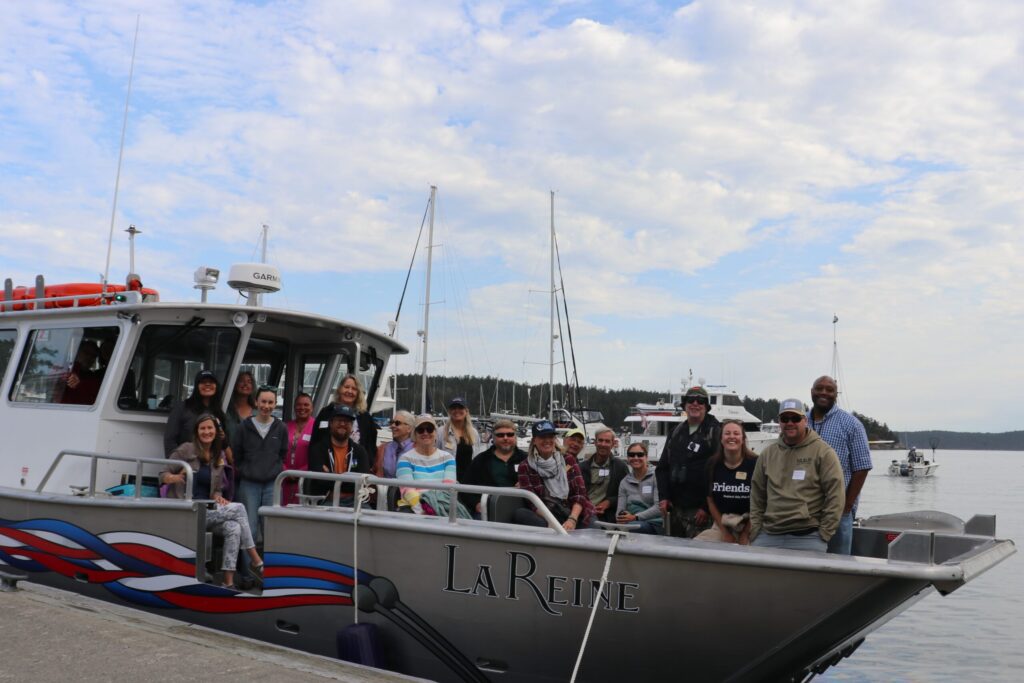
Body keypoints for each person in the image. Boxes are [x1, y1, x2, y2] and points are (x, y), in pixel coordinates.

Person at [161, 413, 263, 588]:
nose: (206, 432)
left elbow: (215, 490)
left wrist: (218, 497)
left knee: (235, 528)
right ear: (197, 431)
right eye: (203, 428)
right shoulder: (185, 449)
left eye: (210, 428)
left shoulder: (218, 455)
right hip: (189, 511)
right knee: (239, 508)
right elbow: (163, 474)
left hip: (207, 510)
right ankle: (255, 559)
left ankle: (228, 582)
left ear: (216, 431)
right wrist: (175, 478)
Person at [750, 399, 845, 552]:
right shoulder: (767, 454)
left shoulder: (824, 452)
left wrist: (825, 533)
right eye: (784, 419)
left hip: (809, 536)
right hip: (768, 534)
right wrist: (755, 528)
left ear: (805, 420)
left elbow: (836, 494)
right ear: (780, 422)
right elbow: (757, 494)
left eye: (795, 418)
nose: (789, 423)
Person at [807, 375, 872, 555]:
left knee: (838, 561)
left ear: (836, 395)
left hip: (838, 509)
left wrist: (846, 506)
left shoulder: (851, 424)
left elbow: (862, 467)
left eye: (830, 390)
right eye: (819, 388)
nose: (824, 393)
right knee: (806, 561)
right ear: (812, 392)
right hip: (805, 509)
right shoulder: (801, 422)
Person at [655, 386, 721, 538]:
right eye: (691, 400)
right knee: (673, 553)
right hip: (675, 509)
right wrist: (663, 497)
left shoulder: (715, 431)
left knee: (699, 555)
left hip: (701, 512)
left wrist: (707, 508)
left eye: (701, 401)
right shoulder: (676, 431)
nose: (695, 404)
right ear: (684, 405)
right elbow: (662, 468)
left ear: (706, 406)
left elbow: (719, 472)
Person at [514, 420, 594, 530]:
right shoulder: (525, 466)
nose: (547, 441)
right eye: (542, 437)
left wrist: (572, 519)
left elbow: (580, 494)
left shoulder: (568, 459)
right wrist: (554, 523)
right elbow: (532, 503)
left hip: (575, 512)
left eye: (550, 437)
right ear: (534, 440)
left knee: (592, 524)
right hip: (548, 513)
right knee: (520, 514)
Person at [232, 386, 287, 546]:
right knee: (249, 529)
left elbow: (282, 453)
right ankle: (248, 570)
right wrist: (246, 470)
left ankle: (270, 569)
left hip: (272, 484)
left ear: (275, 404)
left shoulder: (281, 427)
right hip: (249, 484)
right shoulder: (243, 427)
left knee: (271, 528)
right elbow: (237, 453)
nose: (266, 406)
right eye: (263, 401)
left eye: (270, 402)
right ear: (256, 402)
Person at [696, 419, 757, 544]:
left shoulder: (755, 463)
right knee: (696, 546)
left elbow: (762, 501)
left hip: (751, 523)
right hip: (722, 524)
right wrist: (725, 533)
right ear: (721, 439)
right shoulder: (712, 464)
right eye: (727, 433)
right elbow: (710, 500)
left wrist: (745, 533)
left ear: (743, 438)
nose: (732, 437)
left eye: (736, 433)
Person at [396, 415, 469, 518]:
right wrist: (425, 511)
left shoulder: (448, 458)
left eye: (429, 429)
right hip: (412, 507)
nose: (425, 433)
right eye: (421, 430)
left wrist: (435, 509)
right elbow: (408, 491)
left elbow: (449, 489)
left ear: (435, 433)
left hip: (442, 504)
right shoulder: (405, 459)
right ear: (414, 435)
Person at [306, 404, 371, 504]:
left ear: (351, 426)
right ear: (331, 423)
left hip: (354, 502)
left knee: (369, 518)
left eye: (347, 421)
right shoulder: (318, 449)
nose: (343, 424)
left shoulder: (360, 451)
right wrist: (349, 480)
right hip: (326, 500)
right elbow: (319, 481)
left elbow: (362, 481)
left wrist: (330, 477)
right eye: (339, 420)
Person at [465, 418, 527, 516]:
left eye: (510, 434)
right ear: (493, 438)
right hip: (488, 509)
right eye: (500, 435)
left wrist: (526, 484)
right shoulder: (481, 460)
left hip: (521, 509)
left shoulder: (527, 459)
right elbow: (466, 487)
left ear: (515, 437)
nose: (505, 438)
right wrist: (476, 504)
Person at [310, 374, 378, 457]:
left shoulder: (365, 417)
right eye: (346, 387)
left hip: (357, 466)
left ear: (358, 393)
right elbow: (315, 440)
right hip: (327, 465)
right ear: (339, 389)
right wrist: (318, 464)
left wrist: (367, 464)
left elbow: (371, 446)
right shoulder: (326, 412)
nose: (350, 391)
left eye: (354, 389)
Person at [163, 369, 228, 456]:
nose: (207, 384)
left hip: (212, 464)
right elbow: (169, 440)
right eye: (203, 382)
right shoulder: (182, 408)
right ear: (196, 386)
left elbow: (223, 443)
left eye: (211, 382)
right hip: (187, 464)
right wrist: (177, 464)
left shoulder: (218, 411)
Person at [579, 427, 629, 523]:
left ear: (613, 444)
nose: (603, 444)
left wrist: (609, 502)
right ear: (595, 442)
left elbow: (627, 493)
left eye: (607, 441)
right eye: (600, 440)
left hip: (608, 515)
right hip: (582, 511)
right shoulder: (582, 467)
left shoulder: (620, 467)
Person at [615, 442, 662, 534]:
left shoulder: (657, 477)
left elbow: (659, 508)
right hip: (631, 523)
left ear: (646, 457)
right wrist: (621, 518)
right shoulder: (624, 482)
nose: (635, 458)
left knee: (633, 529)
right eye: (632, 455)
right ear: (628, 458)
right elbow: (620, 509)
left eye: (640, 455)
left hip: (654, 524)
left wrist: (635, 517)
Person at [438, 397, 483, 484]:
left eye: (460, 408)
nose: (457, 410)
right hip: (448, 481)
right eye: (454, 408)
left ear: (466, 411)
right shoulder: (441, 432)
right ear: (449, 411)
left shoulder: (474, 433)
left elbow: (477, 458)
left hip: (469, 480)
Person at [281, 392, 314, 506]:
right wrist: (284, 470)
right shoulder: (285, 427)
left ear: (312, 407)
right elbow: (278, 452)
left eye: (306, 405)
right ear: (295, 407)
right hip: (284, 479)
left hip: (306, 481)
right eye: (299, 405)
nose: (302, 408)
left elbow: (317, 455)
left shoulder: (316, 428)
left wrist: (299, 473)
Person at [375, 410, 415, 479]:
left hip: (409, 489)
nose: (392, 426)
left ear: (409, 428)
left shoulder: (418, 449)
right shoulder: (382, 449)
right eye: (391, 422)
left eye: (397, 423)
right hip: (385, 488)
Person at [224, 371, 256, 438]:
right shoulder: (226, 410)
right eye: (241, 381)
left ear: (252, 387)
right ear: (235, 385)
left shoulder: (257, 413)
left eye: (249, 382)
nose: (245, 384)